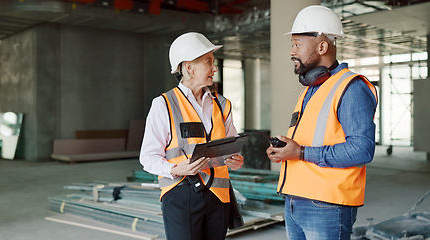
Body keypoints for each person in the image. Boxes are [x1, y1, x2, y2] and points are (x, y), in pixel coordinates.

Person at [266, 5, 378, 240]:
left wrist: (302, 153)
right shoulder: (310, 89)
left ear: (322, 46)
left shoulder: (351, 87)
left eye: (297, 44)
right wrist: (286, 150)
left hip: (327, 205)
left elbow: (362, 149)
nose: (291, 51)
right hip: (294, 200)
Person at [139, 32, 244, 240]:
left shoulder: (223, 105)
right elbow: (148, 157)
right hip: (181, 195)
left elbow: (230, 146)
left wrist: (235, 159)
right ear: (189, 67)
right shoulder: (164, 105)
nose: (214, 68)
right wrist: (175, 169)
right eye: (208, 62)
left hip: (218, 197)